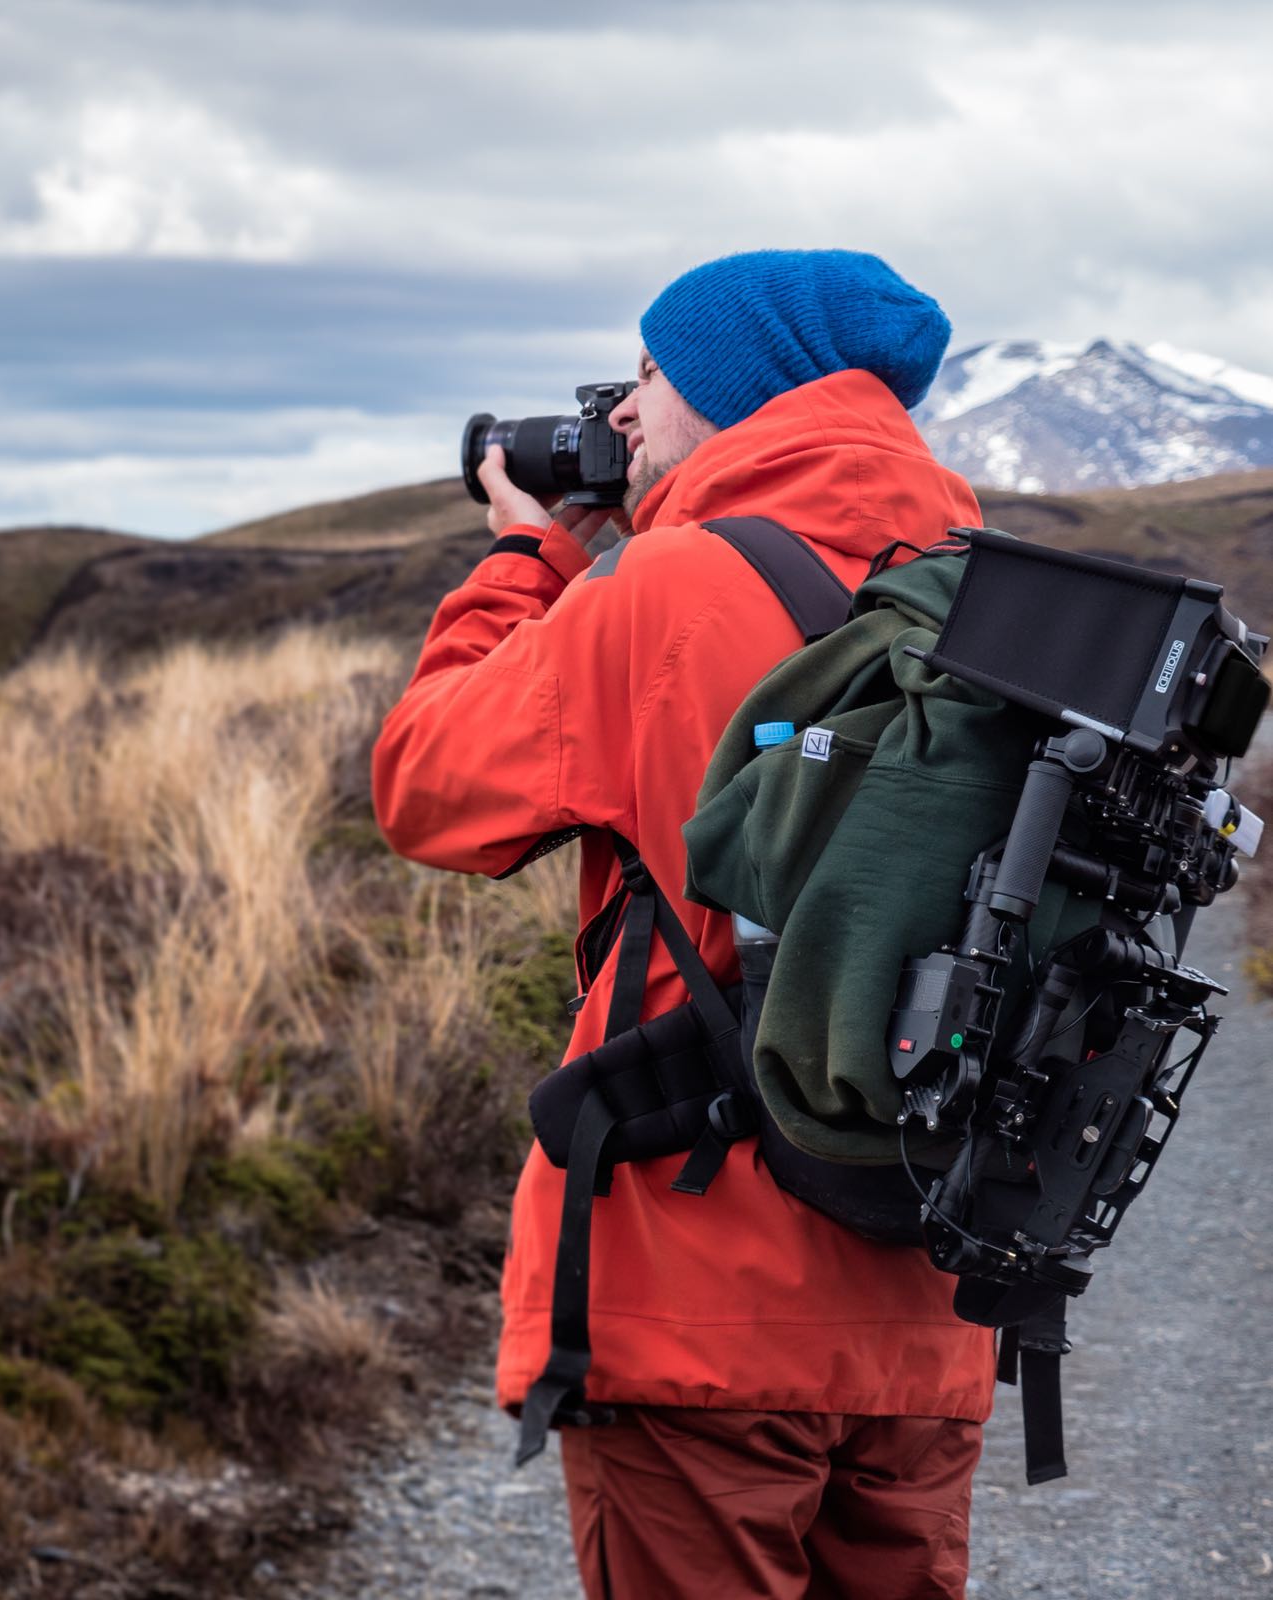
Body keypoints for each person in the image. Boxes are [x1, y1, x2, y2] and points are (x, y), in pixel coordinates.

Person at [371, 249, 998, 1599]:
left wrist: (524, 562)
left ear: (727, 388)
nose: (621, 419)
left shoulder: (656, 595)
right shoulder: (995, 596)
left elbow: (425, 791)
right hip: (928, 1294)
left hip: (696, 1285)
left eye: (646, 377)